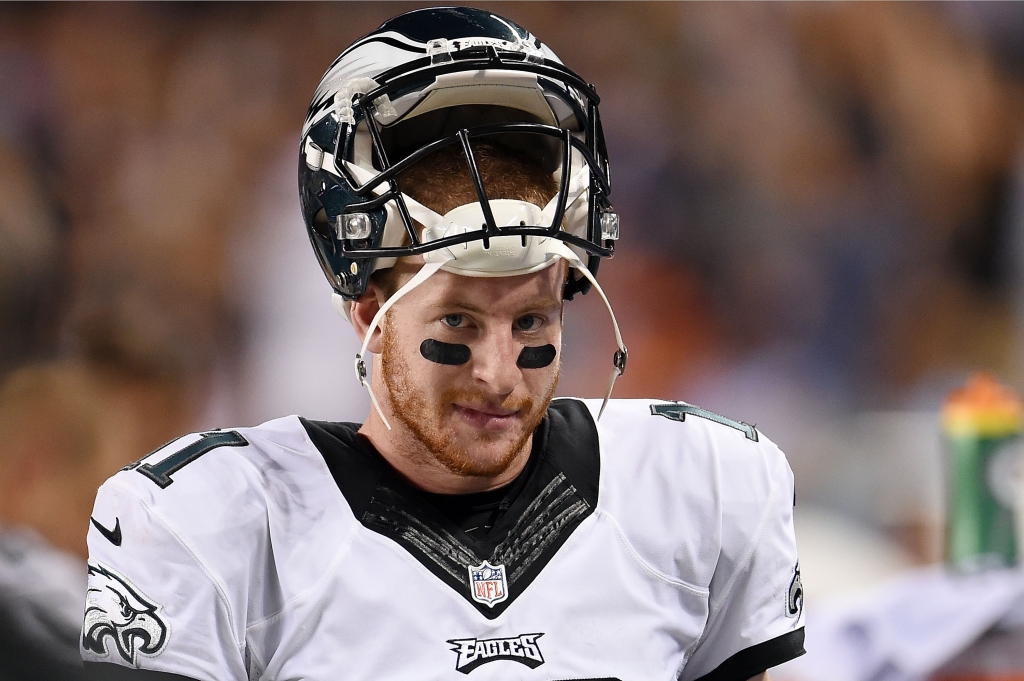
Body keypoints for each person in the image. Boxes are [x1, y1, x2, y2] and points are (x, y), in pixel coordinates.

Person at [81, 7, 804, 681]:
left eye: (532, 321)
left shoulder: (698, 487)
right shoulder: (214, 525)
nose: (498, 374)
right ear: (368, 311)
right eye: (457, 322)